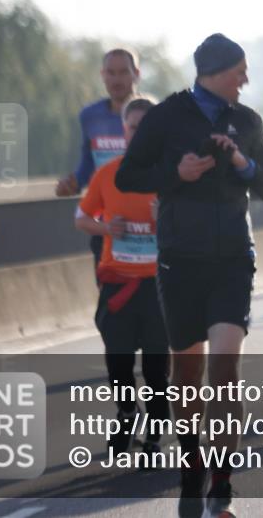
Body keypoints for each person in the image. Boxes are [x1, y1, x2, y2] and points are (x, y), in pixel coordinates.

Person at [116, 34, 263, 518]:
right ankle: (192, 478)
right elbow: (128, 176)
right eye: (240, 71)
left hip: (232, 257)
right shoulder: (167, 115)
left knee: (225, 373)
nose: (247, 79)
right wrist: (176, 172)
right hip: (179, 261)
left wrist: (240, 161)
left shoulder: (248, 120)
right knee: (188, 377)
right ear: (215, 70)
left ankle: (221, 486)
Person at [75, 97, 170, 459]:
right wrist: (104, 227)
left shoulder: (172, 176)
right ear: (124, 130)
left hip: (159, 286)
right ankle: (127, 413)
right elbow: (81, 219)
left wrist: (167, 221)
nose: (139, 133)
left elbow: (193, 231)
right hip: (118, 284)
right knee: (118, 361)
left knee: (157, 369)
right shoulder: (108, 174)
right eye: (133, 127)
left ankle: (155, 437)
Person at [56, 48, 140, 269]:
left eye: (123, 72)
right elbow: (87, 166)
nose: (117, 79)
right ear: (103, 75)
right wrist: (72, 184)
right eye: (111, 73)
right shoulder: (90, 116)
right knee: (109, 298)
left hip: (144, 226)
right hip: (105, 224)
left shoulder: (153, 115)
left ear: (136, 74)